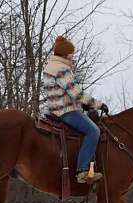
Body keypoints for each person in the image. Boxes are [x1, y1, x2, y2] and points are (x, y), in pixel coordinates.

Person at [42, 36, 109, 183]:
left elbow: (63, 92)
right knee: (94, 131)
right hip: (66, 111)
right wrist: (97, 104)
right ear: (66, 54)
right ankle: (83, 171)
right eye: (72, 53)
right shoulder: (62, 69)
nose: (73, 56)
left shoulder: (50, 67)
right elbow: (77, 93)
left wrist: (83, 105)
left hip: (56, 108)